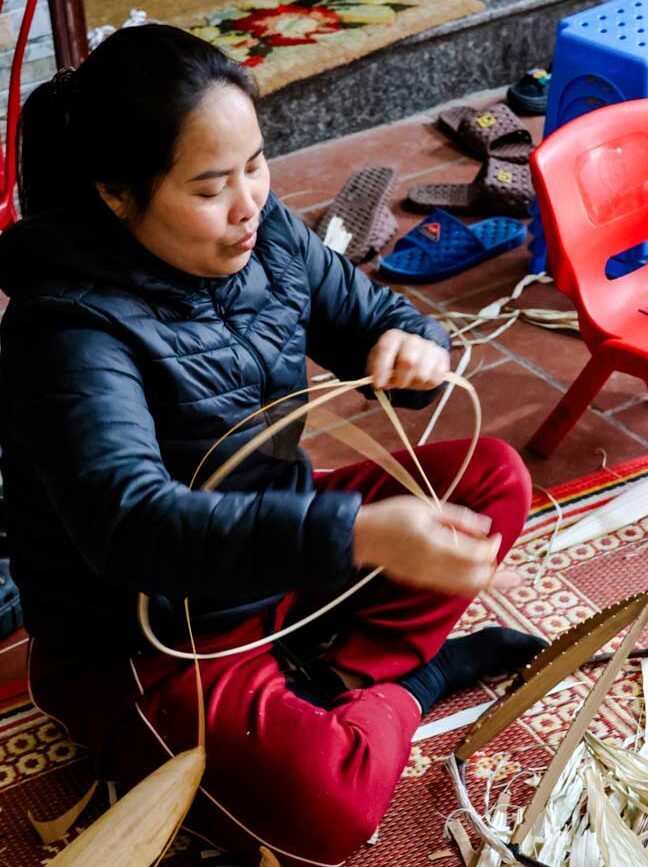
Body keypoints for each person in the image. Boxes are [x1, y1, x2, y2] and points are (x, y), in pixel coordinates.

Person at [0, 24, 546, 866]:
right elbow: (134, 527)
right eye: (211, 185)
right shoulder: (69, 331)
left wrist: (408, 346)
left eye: (256, 164)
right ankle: (412, 682)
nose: (249, 201)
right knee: (328, 814)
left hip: (278, 550)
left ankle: (332, 682)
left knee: (492, 479)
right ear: (117, 193)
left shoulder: (268, 236)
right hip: (148, 637)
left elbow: (371, 316)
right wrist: (356, 534)